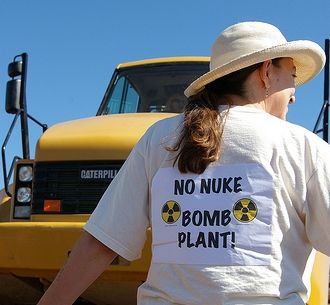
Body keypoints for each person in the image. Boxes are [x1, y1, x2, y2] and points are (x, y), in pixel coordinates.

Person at [37, 21, 330, 305]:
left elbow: (102, 241)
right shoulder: (304, 147)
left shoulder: (159, 138)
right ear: (266, 72)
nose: (294, 94)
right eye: (292, 75)